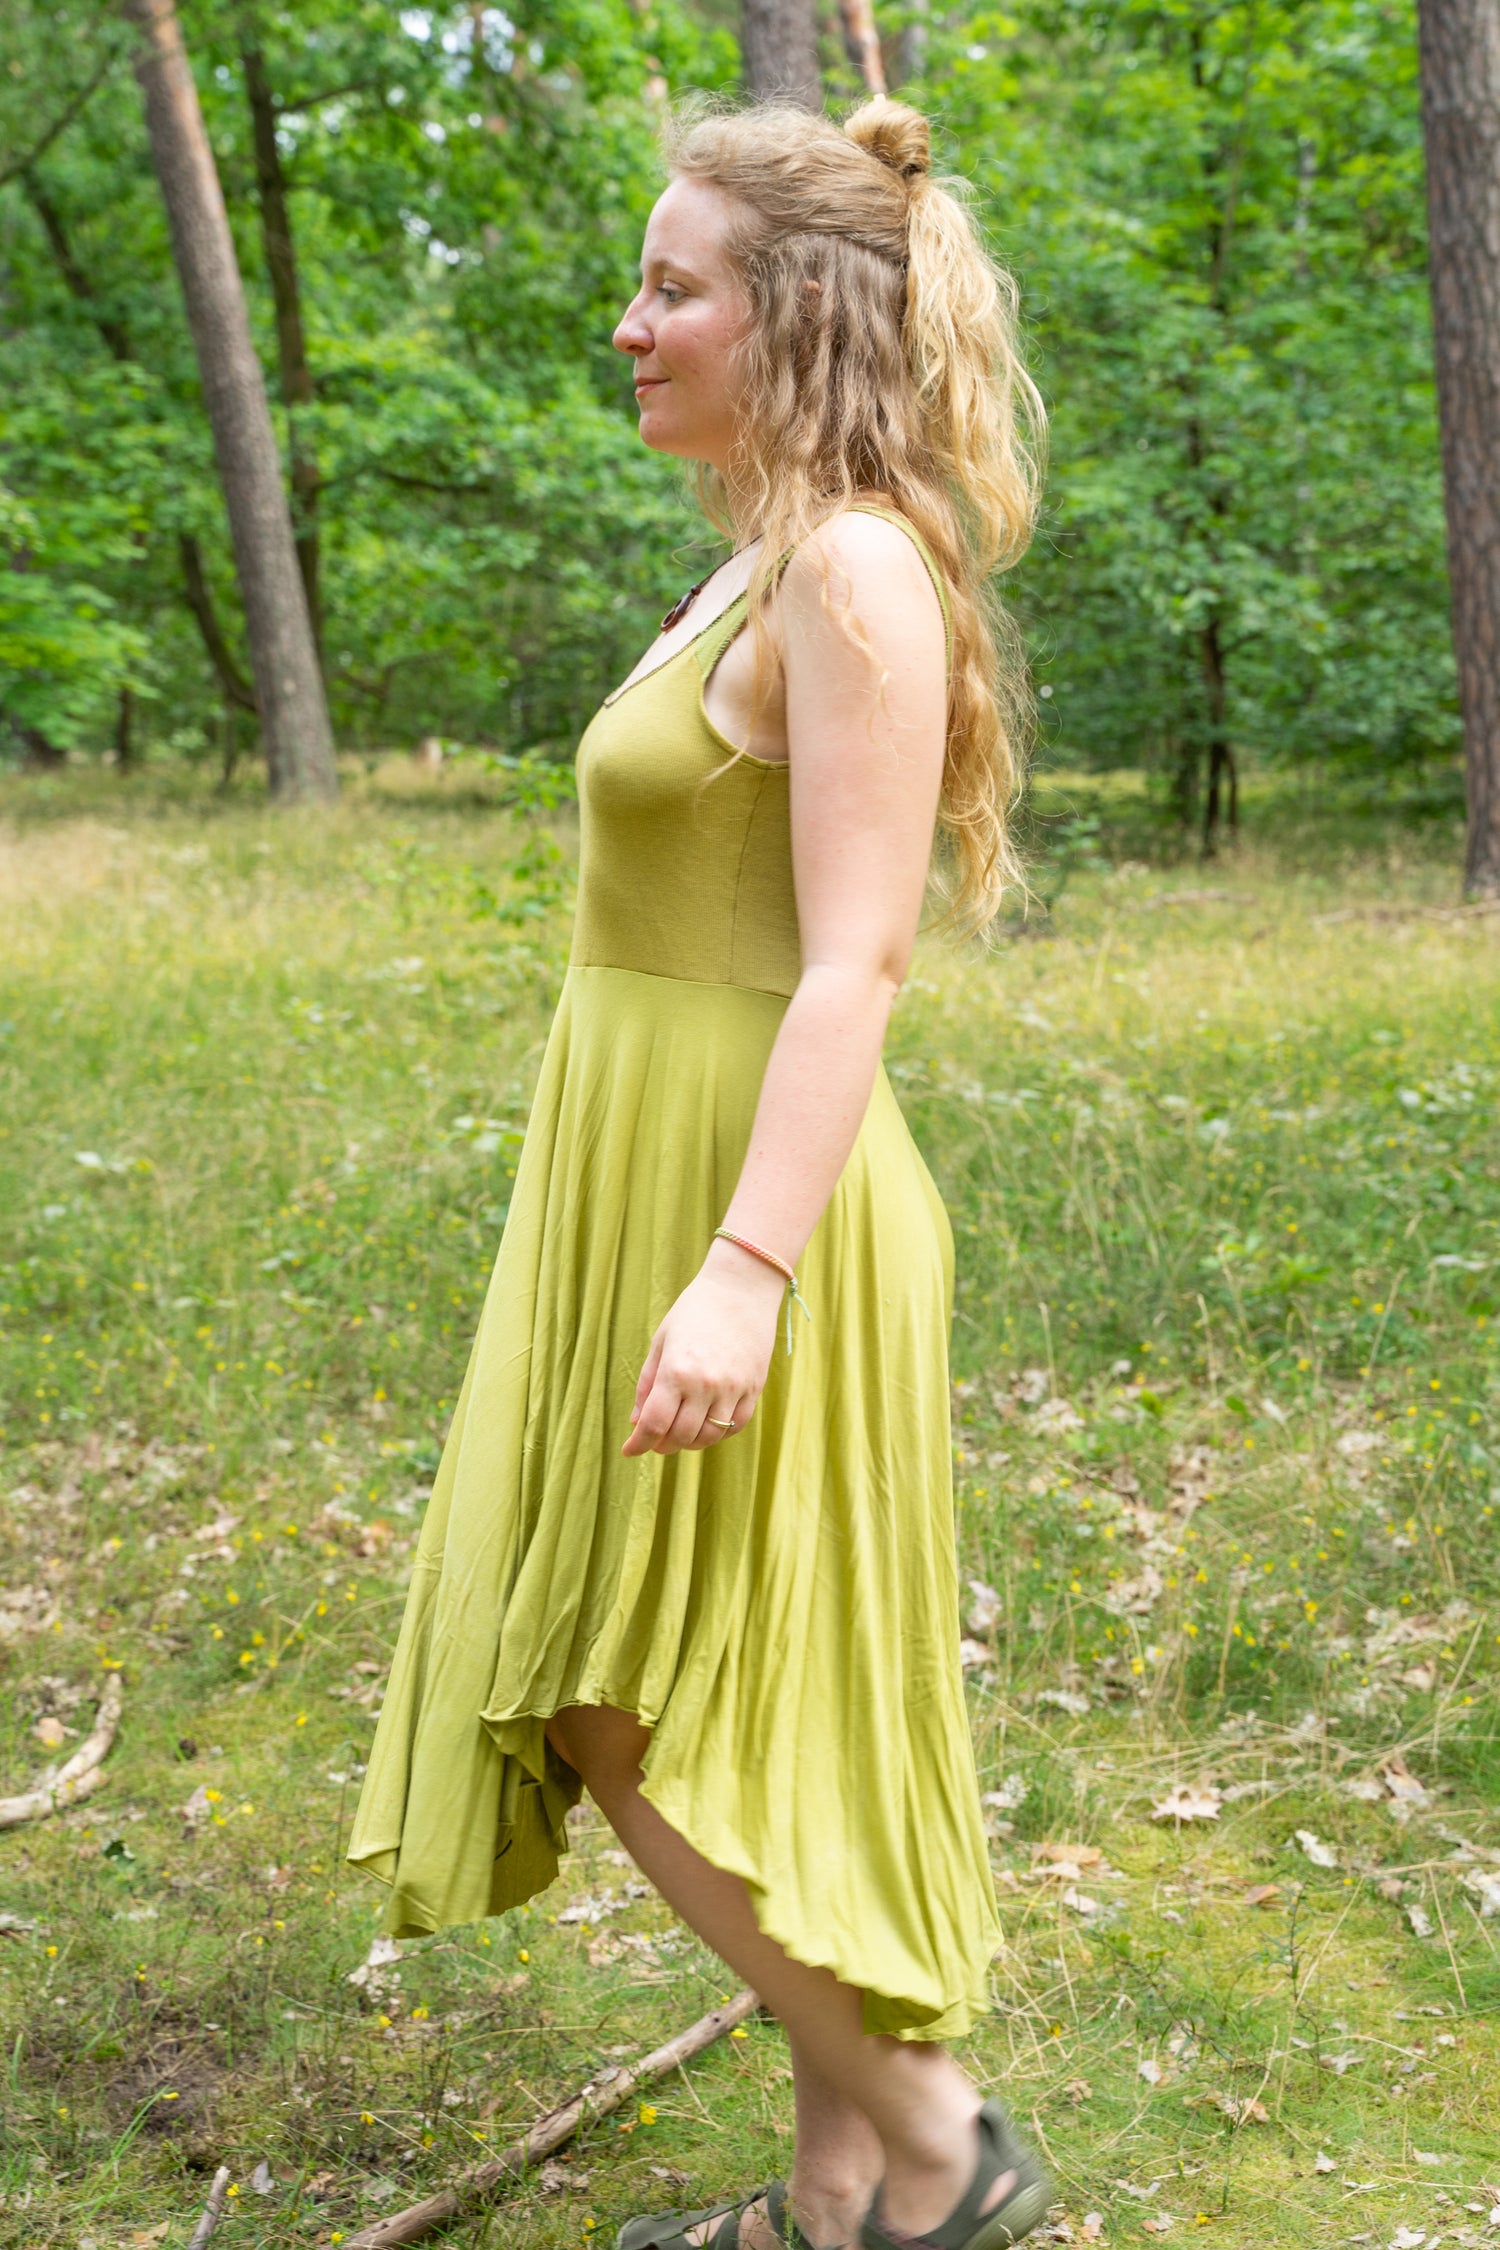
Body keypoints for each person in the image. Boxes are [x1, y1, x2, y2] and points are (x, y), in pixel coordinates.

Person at [348, 93, 1047, 2250]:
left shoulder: (852, 569)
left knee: (605, 1680)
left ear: (798, 315)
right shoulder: (765, 550)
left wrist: (746, 1263)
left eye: (675, 288)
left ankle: (933, 2140)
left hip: (760, 1192)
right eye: (640, 283)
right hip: (655, 1164)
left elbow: (858, 956)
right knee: (736, 1688)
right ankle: (839, 2201)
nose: (629, 323)